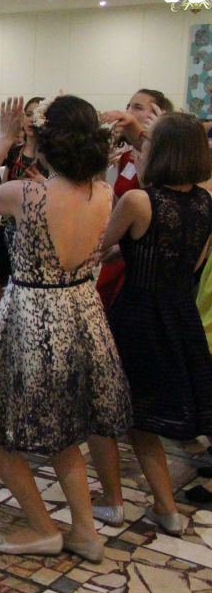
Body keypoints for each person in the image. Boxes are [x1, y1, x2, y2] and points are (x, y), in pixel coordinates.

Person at [0, 95, 131, 564]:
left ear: (48, 141)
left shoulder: (27, 194)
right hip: (82, 313)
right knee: (64, 432)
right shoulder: (103, 192)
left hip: (34, 319)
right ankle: (85, 532)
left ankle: (43, 527)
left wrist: (3, 139)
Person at [86, 112, 212, 535]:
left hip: (138, 315)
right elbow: (189, 262)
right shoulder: (205, 202)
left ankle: (114, 502)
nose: (141, 147)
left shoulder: (140, 200)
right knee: (145, 420)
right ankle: (166, 508)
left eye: (148, 141)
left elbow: (99, 246)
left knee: (105, 410)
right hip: (179, 315)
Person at [96, 89, 175, 309]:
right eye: (128, 106)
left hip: (142, 255)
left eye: (137, 107)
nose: (128, 112)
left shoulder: (163, 161)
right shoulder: (127, 157)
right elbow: (115, 203)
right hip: (118, 246)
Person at [0, 97, 45, 297]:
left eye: (37, 115)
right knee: (5, 285)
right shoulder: (14, 151)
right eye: (28, 114)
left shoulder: (51, 156)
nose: (31, 120)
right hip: (9, 225)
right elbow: (4, 185)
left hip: (35, 229)